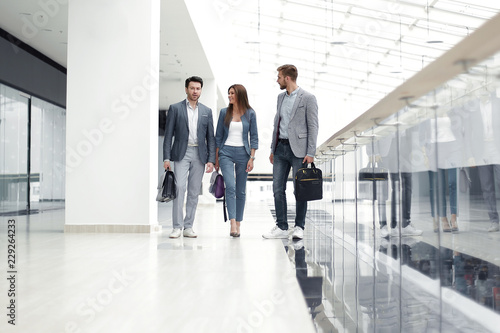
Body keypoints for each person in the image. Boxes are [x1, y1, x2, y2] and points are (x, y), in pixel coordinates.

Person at [263, 64, 319, 240]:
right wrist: (273, 148)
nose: (277, 80)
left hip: (299, 151)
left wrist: (311, 151)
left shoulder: (308, 98)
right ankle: (281, 226)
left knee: (300, 189)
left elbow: (313, 126)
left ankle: (299, 226)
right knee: (277, 188)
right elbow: (277, 124)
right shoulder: (280, 97)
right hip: (280, 148)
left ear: (287, 78)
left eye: (279, 77)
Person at [163, 76, 216, 238]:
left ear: (201, 90)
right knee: (179, 188)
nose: (195, 91)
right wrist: (166, 158)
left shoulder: (207, 111)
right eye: (192, 88)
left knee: (194, 191)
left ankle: (188, 226)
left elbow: (211, 138)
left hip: (200, 154)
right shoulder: (175, 108)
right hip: (181, 153)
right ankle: (176, 227)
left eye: (198, 88)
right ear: (186, 89)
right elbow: (168, 135)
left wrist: (211, 159)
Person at [215, 84, 258, 237]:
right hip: (226, 152)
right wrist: (216, 159)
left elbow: (254, 137)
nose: (229, 96)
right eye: (229, 93)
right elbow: (218, 136)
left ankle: (239, 222)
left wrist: (252, 158)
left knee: (240, 190)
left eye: (232, 93)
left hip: (243, 154)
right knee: (231, 186)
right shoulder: (223, 112)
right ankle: (232, 222)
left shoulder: (250, 114)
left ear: (240, 95)